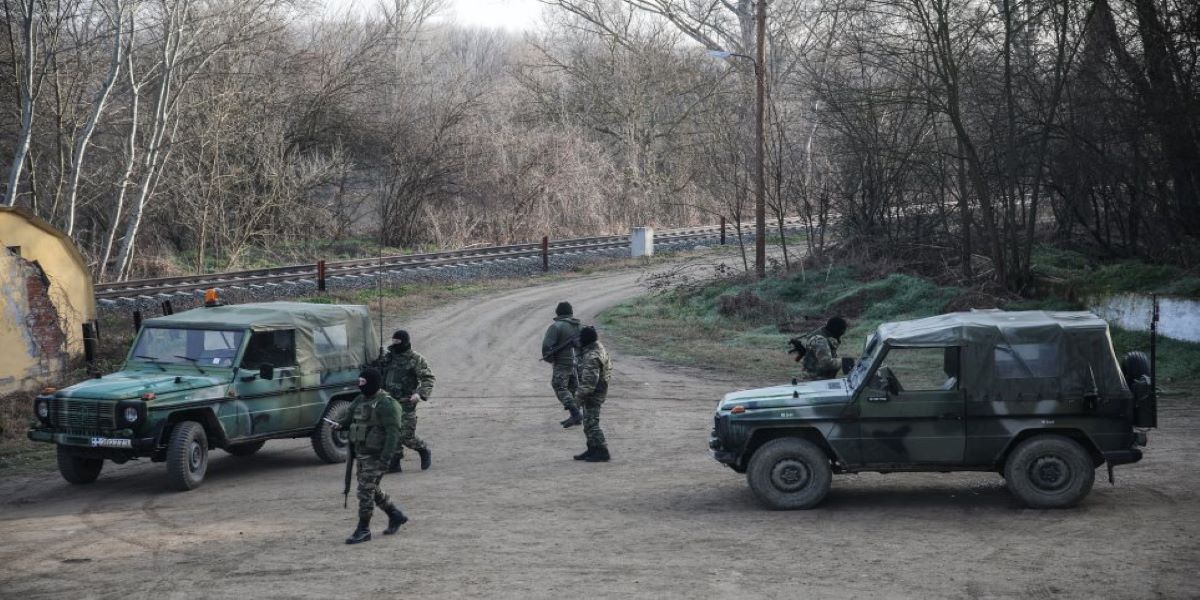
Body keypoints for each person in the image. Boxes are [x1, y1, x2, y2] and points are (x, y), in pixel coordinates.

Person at [332, 368, 408, 544]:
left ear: (372, 383)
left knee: (365, 491)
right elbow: (349, 418)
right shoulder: (360, 400)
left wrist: (385, 460)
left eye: (363, 383)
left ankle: (363, 529)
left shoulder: (387, 404)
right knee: (371, 488)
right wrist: (339, 425)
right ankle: (395, 514)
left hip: (377, 455)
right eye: (359, 382)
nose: (359, 386)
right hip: (362, 453)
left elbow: (393, 434)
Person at [378, 330, 435, 473]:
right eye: (393, 341)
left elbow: (428, 378)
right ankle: (395, 462)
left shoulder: (415, 359)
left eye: (398, 342)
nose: (395, 344)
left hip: (406, 401)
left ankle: (423, 449)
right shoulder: (388, 357)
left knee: (405, 435)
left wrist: (420, 394)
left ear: (405, 342)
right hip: (389, 401)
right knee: (391, 431)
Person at [573, 326, 613, 462]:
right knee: (588, 422)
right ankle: (592, 449)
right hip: (597, 390)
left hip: (594, 394)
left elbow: (587, 386)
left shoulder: (592, 357)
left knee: (592, 423)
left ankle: (602, 451)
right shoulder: (596, 347)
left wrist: (575, 404)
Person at [541, 301, 582, 428]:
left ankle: (575, 414)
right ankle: (575, 416)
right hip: (578, 363)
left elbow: (547, 346)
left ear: (558, 313)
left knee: (559, 387)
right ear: (571, 313)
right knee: (572, 389)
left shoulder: (556, 326)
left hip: (563, 363)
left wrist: (551, 360)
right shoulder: (580, 326)